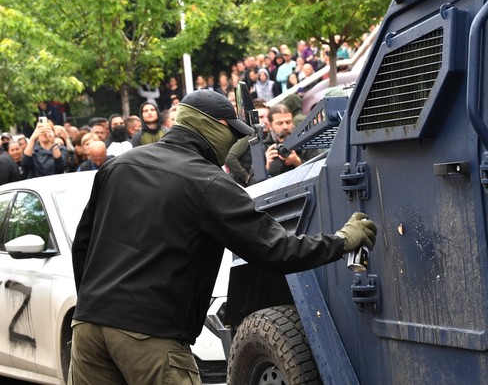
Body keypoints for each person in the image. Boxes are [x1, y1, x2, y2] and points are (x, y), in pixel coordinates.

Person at [69, 89, 377, 384]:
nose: (236, 142)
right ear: (213, 126)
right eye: (233, 133)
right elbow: (276, 250)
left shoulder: (119, 166)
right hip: (149, 336)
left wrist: (93, 305)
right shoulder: (207, 181)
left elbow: (82, 245)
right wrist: (342, 240)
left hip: (88, 330)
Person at [264, 103, 318, 177]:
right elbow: (251, 184)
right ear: (270, 126)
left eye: (288, 122)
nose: (285, 127)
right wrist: (266, 168)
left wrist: (298, 162)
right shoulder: (262, 148)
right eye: (280, 123)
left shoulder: (306, 142)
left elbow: (319, 170)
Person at [225, 99, 270, 187]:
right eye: (261, 117)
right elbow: (230, 157)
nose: (265, 121)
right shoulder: (248, 135)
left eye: (268, 117)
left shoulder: (269, 137)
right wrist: (246, 177)